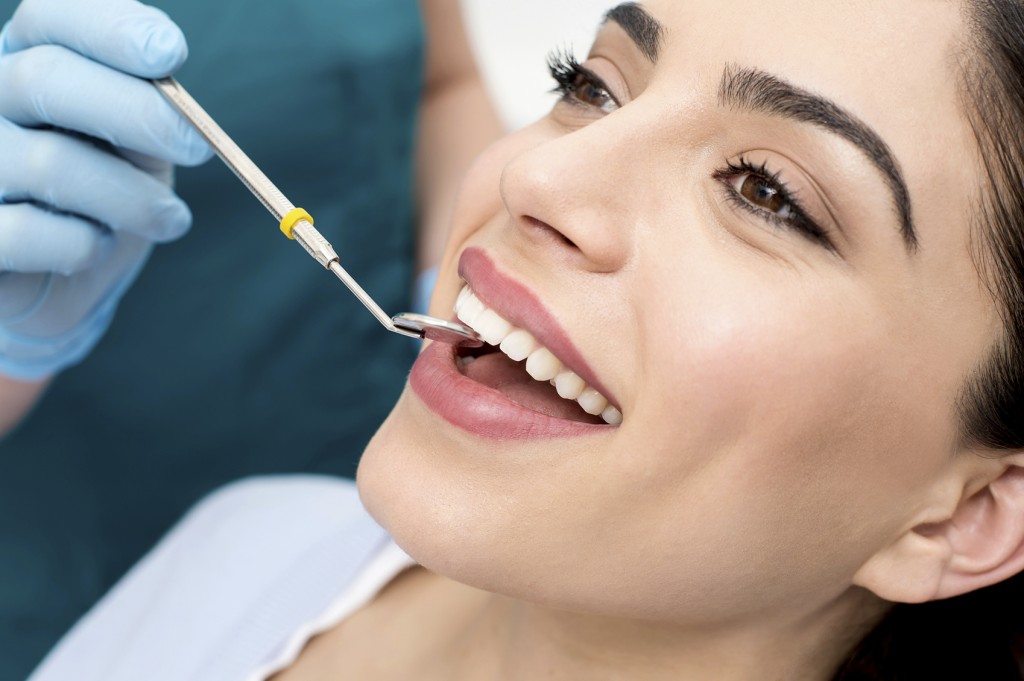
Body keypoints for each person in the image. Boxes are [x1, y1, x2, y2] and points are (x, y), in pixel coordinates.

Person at [20, 0, 1024, 678]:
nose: (534, 178)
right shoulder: (244, 543)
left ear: (969, 513)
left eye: (767, 194)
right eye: (590, 86)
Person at [0, 0, 501, 677]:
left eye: (588, 89)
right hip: (68, 537)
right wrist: (15, 341)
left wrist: (456, 278)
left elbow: (448, 81)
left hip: (365, 448)